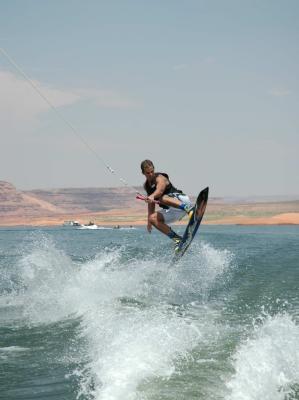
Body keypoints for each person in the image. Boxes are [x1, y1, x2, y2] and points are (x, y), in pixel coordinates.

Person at [140, 159, 193, 251]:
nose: (151, 174)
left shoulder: (160, 178)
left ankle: (190, 209)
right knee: (152, 218)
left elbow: (159, 191)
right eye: (148, 173)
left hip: (181, 202)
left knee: (162, 197)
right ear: (143, 173)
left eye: (152, 171)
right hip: (173, 211)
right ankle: (178, 240)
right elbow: (151, 203)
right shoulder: (146, 185)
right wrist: (149, 222)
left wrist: (152, 196)